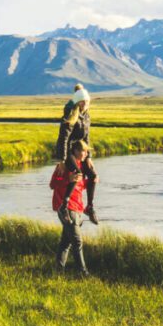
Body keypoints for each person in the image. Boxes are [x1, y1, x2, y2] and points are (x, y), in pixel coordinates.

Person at [54, 83, 99, 223]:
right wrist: (62, 160)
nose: (85, 103)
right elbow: (64, 139)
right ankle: (64, 206)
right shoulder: (70, 115)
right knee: (77, 173)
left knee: (92, 175)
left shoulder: (86, 116)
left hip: (80, 149)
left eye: (87, 101)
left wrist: (89, 157)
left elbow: (86, 137)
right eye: (82, 101)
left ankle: (89, 207)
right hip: (68, 150)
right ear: (78, 102)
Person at [50, 139, 90, 276]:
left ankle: (58, 271)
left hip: (77, 208)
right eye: (84, 151)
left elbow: (80, 187)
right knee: (77, 240)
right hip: (66, 208)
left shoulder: (81, 166)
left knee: (66, 242)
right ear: (76, 151)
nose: (86, 153)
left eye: (86, 151)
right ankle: (83, 272)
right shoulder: (63, 167)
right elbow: (52, 184)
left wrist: (90, 181)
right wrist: (68, 179)